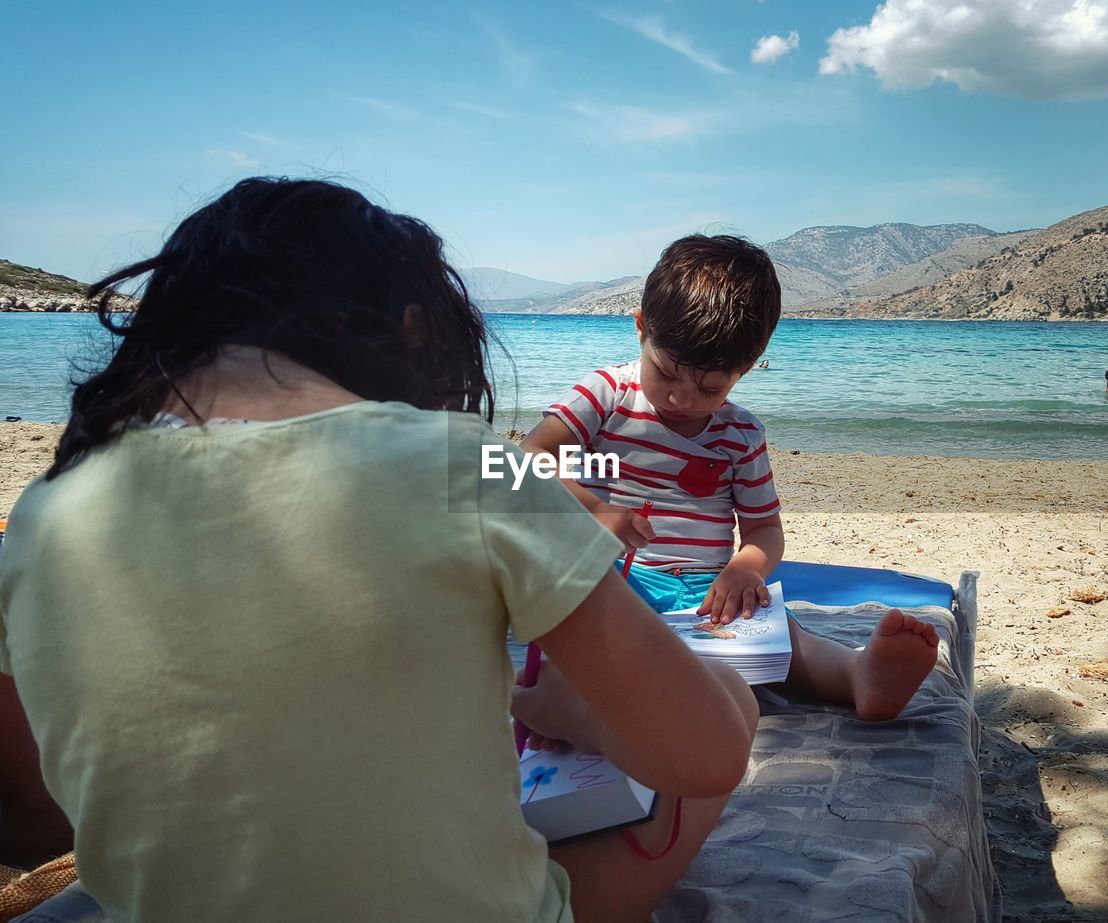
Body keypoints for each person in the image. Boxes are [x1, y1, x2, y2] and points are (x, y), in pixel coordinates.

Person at [0, 179, 758, 923]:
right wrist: (584, 711)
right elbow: (705, 754)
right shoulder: (471, 461)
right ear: (414, 330)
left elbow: (34, 810)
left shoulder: (43, 512)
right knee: (737, 700)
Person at [522, 235, 939, 723]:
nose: (681, 400)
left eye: (710, 388)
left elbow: (763, 531)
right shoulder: (606, 394)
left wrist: (744, 571)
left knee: (784, 640)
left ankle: (857, 674)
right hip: (611, 574)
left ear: (748, 367)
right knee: (567, 620)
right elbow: (525, 459)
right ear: (641, 328)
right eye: (666, 374)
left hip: (705, 590)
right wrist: (591, 510)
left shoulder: (740, 435)